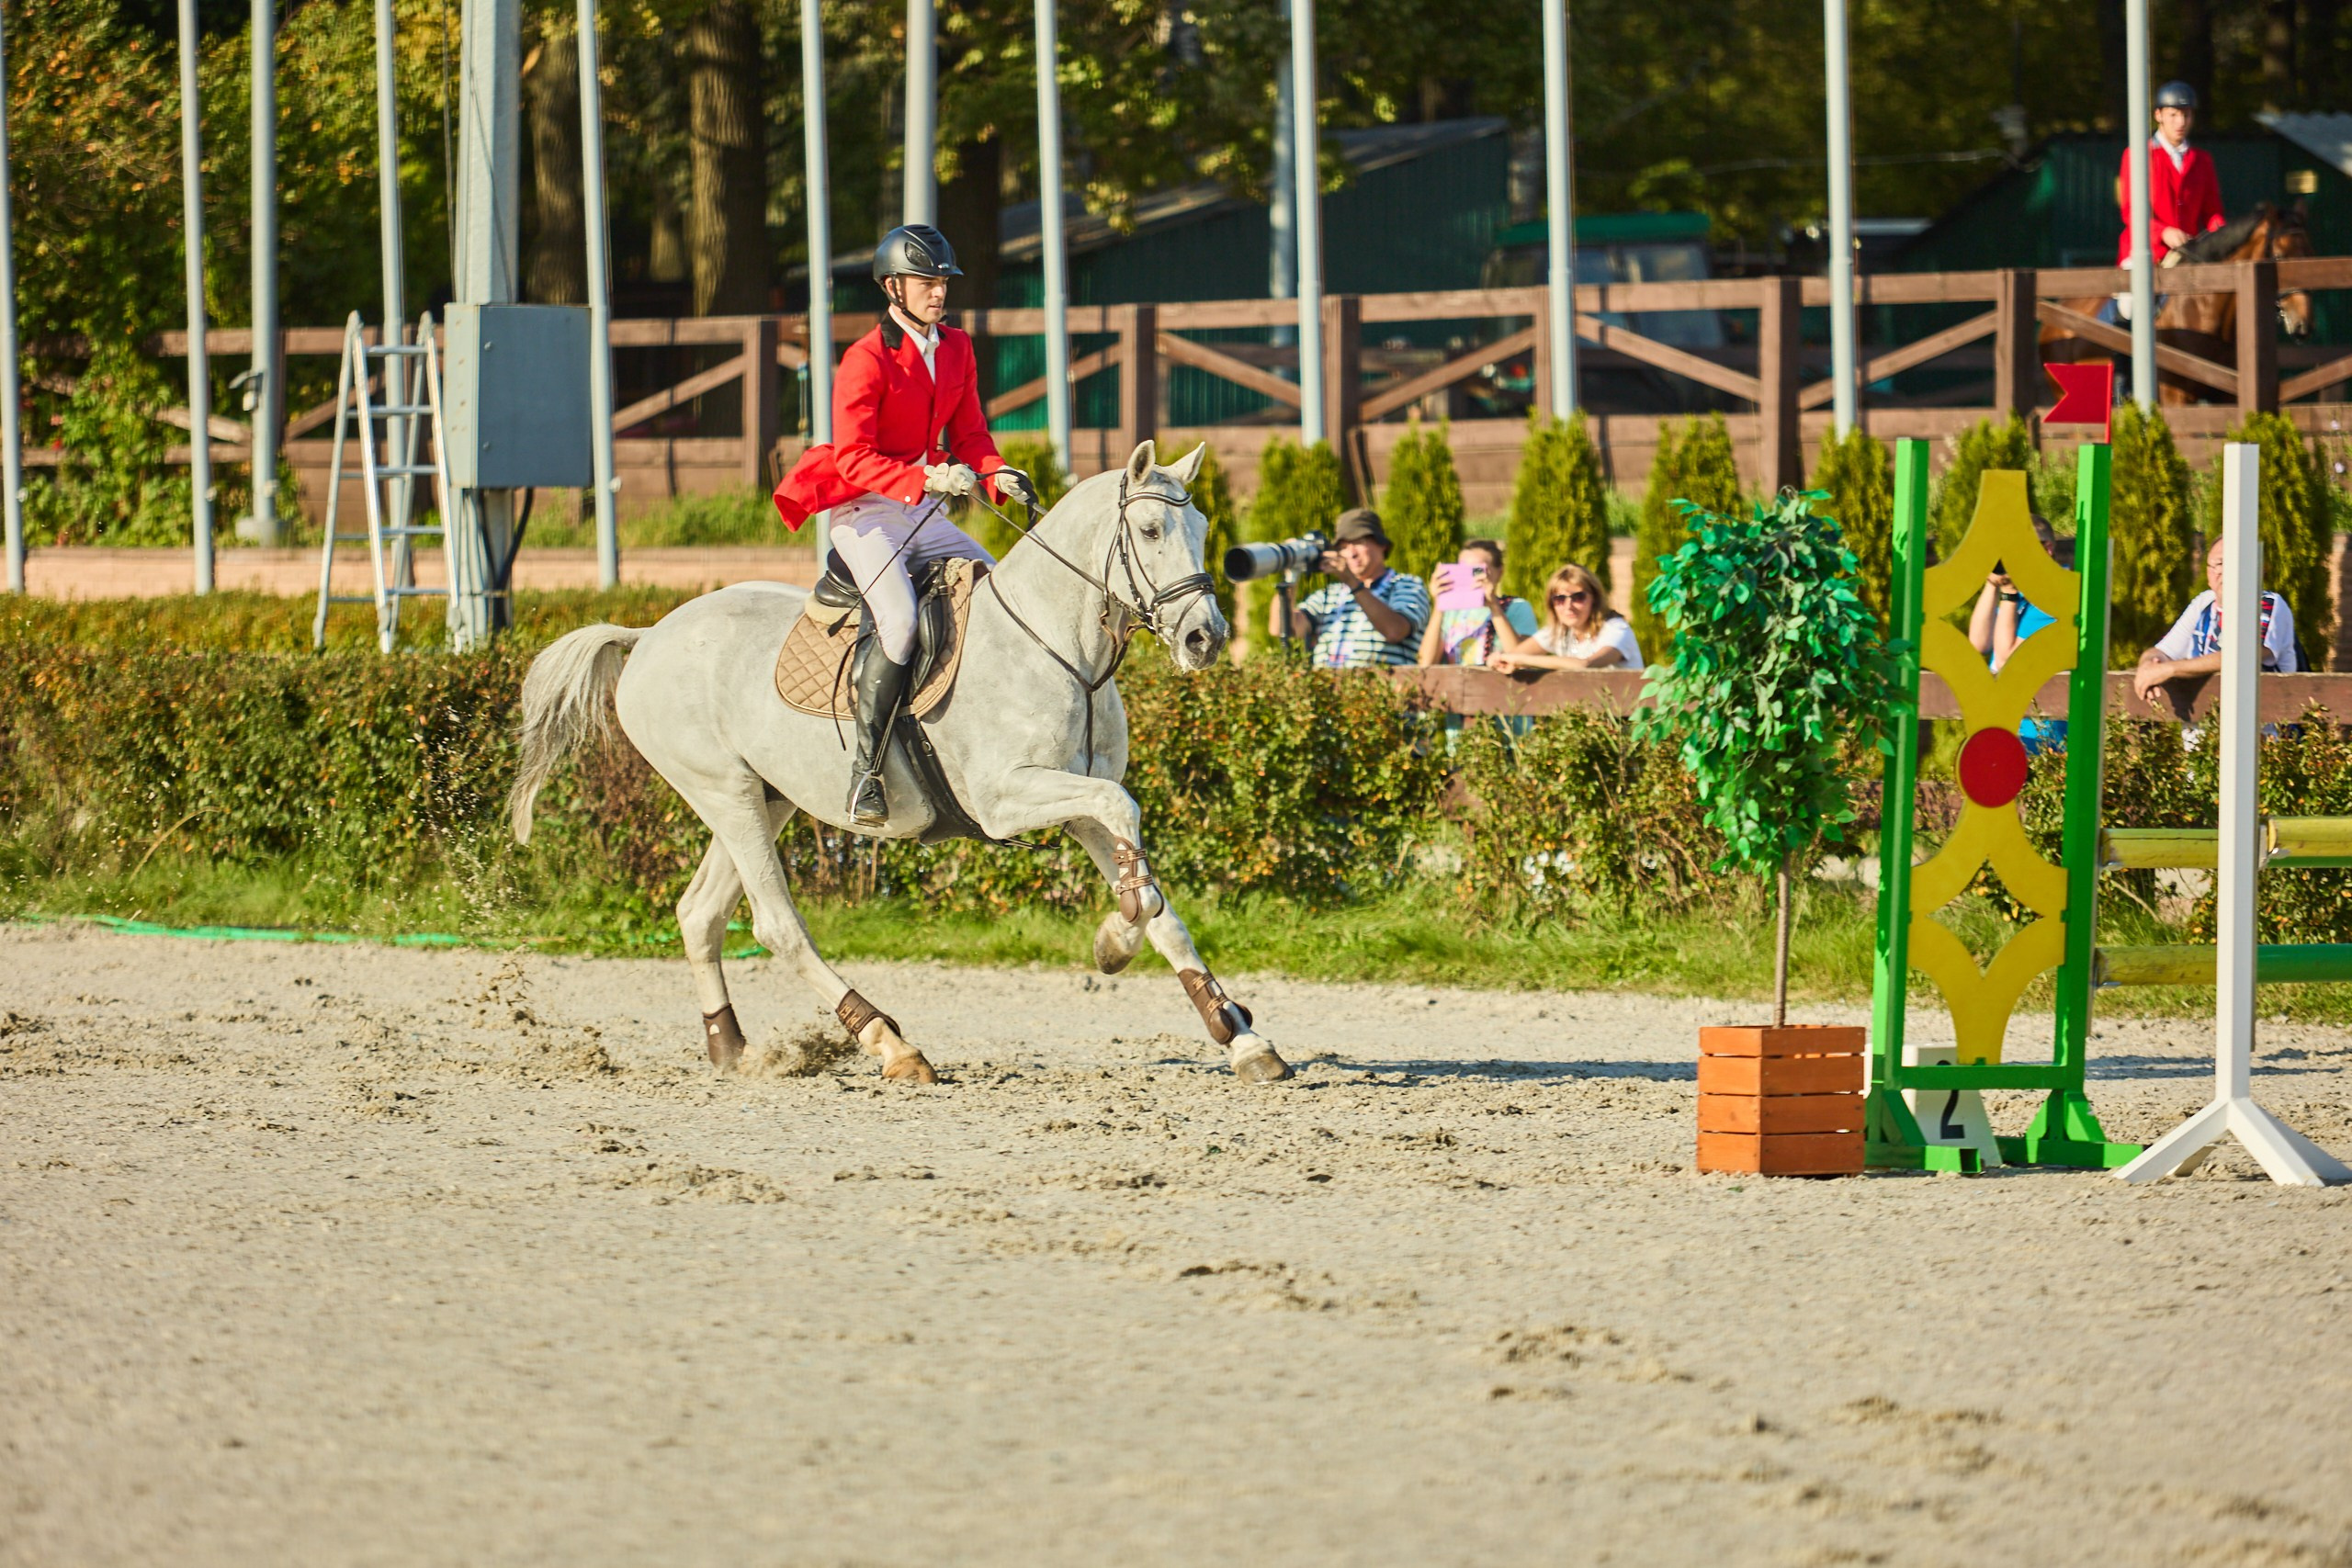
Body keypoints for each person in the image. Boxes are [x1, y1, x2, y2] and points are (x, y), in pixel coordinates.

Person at [771, 224, 1035, 826]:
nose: (938, 292)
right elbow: (852, 456)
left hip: (922, 507)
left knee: (996, 590)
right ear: (893, 286)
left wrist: (998, 476)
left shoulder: (958, 348)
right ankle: (865, 774)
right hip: (866, 510)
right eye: (926, 282)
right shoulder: (865, 358)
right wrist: (926, 480)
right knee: (899, 620)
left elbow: (970, 435)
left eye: (943, 282)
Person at [2133, 536, 2299, 710]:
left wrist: (2169, 670)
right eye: (2218, 564)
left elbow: (2243, 655)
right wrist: (2149, 665)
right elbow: (2161, 651)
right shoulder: (2203, 603)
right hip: (2203, 731)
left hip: (2259, 730)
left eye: (2232, 563)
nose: (2223, 572)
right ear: (2208, 573)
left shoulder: (2266, 603)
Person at [1965, 514, 2073, 753]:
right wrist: (1993, 583)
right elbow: (1978, 643)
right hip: (2005, 727)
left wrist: (2009, 593)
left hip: (2041, 739)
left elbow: (2006, 661)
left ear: (2047, 550)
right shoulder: (2018, 593)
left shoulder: (2058, 594)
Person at [1277, 508, 1431, 668]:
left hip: (1386, 688)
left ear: (1382, 545)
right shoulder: (1330, 595)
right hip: (1327, 689)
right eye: (1343, 547)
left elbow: (1395, 631)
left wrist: (1351, 581)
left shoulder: (1406, 585)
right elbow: (1283, 628)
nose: (1351, 553)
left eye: (1358, 542)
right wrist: (1291, 574)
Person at [2115, 81, 2224, 271]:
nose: (2181, 122)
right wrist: (2163, 232)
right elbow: (2130, 212)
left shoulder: (2203, 160)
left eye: (2186, 114)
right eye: (2173, 115)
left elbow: (2212, 212)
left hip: (2190, 254)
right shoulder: (2138, 155)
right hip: (2145, 253)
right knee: (2128, 301)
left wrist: (2224, 237)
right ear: (2159, 115)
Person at [1487, 563, 1642, 673]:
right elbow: (1514, 654)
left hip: (1625, 716)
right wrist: (1499, 658)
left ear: (1594, 598)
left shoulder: (1616, 629)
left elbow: (1586, 665)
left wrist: (1521, 660)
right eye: (1560, 599)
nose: (1569, 606)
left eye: (1578, 597)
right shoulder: (1559, 631)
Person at [1415, 537, 1539, 670]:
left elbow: (1521, 661)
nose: (1470, 576)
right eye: (1463, 569)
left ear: (1499, 572)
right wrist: (1440, 604)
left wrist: (1494, 607)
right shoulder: (1451, 612)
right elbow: (1425, 663)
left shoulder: (1517, 607)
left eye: (1477, 570)